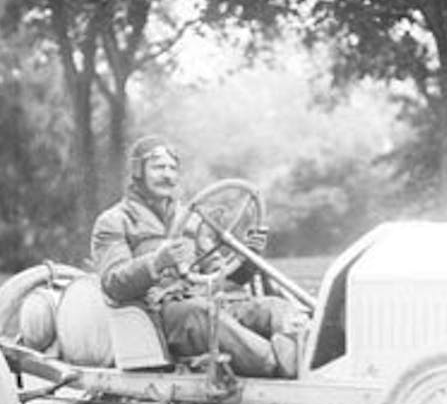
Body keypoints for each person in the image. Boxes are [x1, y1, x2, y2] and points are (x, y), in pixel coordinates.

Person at [90, 135, 305, 378]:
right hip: (158, 316)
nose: (168, 175)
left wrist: (248, 259)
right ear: (138, 171)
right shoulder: (115, 221)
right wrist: (156, 263)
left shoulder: (191, 219)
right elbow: (113, 284)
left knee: (274, 308)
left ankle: (300, 355)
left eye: (172, 168)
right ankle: (275, 363)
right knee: (201, 313)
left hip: (207, 302)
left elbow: (220, 278)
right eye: (158, 167)